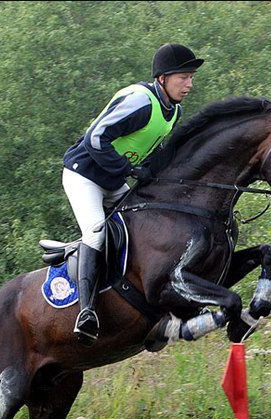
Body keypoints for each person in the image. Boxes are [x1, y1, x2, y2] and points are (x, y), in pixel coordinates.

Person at [62, 43, 204, 346]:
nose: (189, 84)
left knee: (148, 227)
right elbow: (96, 138)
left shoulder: (173, 111)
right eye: (184, 77)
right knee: (96, 233)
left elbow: (151, 151)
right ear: (163, 78)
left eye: (191, 78)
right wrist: (128, 168)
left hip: (112, 181)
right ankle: (86, 312)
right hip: (83, 175)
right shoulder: (141, 101)